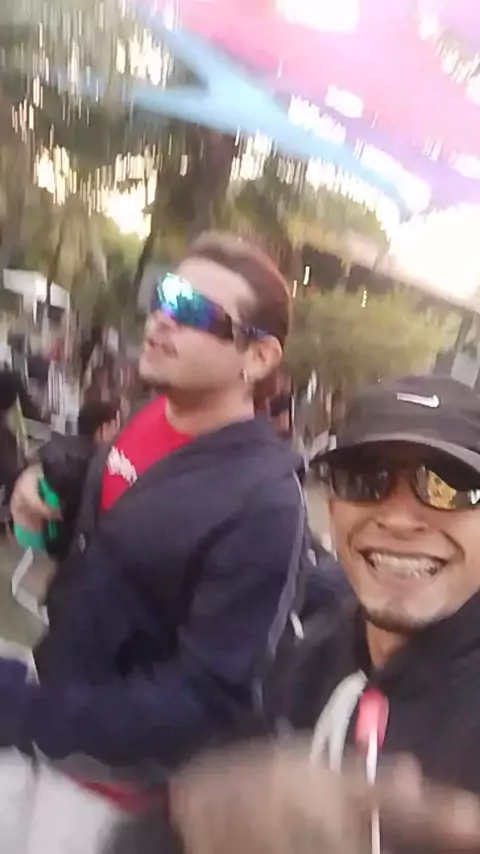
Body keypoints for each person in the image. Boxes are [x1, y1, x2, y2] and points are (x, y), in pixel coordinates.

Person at [7, 232, 345, 845]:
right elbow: (121, 525)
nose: (163, 318)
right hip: (43, 710)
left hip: (104, 798)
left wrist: (31, 711)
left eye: (194, 311)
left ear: (257, 357)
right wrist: (49, 476)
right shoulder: (149, 415)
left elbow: (202, 699)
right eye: (165, 296)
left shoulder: (265, 506)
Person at [274, 376, 480, 827]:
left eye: (452, 486)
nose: (400, 519)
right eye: (366, 479)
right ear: (332, 507)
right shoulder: (310, 657)